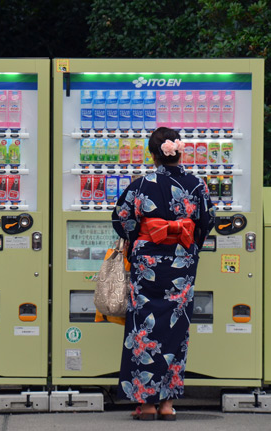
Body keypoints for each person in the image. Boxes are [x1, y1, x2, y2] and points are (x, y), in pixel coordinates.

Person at [111, 127, 215, 421]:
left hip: (147, 264)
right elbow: (207, 221)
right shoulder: (197, 185)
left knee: (143, 330)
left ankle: (145, 405)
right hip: (181, 264)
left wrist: (139, 240)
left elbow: (122, 219)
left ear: (153, 154)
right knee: (175, 331)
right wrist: (188, 245)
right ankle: (167, 404)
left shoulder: (141, 184)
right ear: (179, 151)